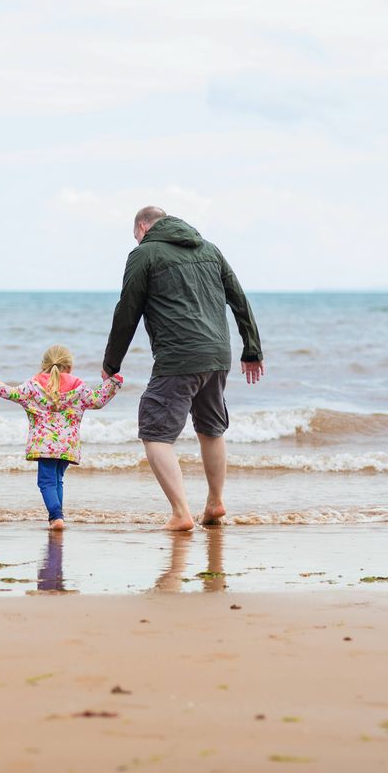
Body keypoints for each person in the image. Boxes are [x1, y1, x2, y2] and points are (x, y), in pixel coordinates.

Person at [102, 206, 264, 531]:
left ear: (143, 226)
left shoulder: (144, 253)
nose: (136, 241)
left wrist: (111, 362)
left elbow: (127, 309)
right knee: (211, 428)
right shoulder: (209, 249)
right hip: (218, 355)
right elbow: (239, 299)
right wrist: (252, 349)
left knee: (155, 432)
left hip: (178, 356)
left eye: (136, 235)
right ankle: (215, 502)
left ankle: (180, 513)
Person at [0, 344, 122, 530]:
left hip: (44, 445)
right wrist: (112, 381)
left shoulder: (33, 385)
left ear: (43, 365)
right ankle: (57, 517)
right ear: (69, 367)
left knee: (46, 481)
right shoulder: (79, 387)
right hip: (68, 445)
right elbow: (98, 400)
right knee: (57, 480)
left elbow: (10, 392)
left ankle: (56, 517)